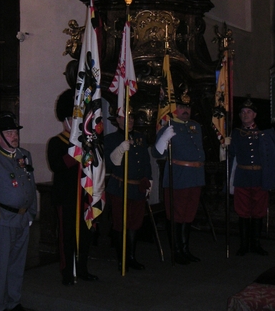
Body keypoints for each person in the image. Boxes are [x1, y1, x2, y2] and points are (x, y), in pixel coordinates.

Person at [48, 89, 98, 285]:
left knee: (85, 236)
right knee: (66, 237)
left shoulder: (86, 143)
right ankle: (67, 271)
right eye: (72, 119)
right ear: (66, 120)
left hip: (83, 195)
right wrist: (76, 152)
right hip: (66, 197)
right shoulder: (56, 142)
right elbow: (57, 165)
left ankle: (83, 268)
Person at [0, 111, 37, 311]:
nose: (14, 136)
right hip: (3, 220)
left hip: (22, 218)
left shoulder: (24, 155)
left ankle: (13, 302)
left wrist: (31, 213)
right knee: (1, 267)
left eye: (15, 132)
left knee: (17, 265)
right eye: (9, 133)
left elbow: (31, 184)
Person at [152, 91, 205, 265]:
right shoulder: (168, 126)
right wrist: (164, 139)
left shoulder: (195, 126)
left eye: (187, 107)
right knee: (176, 215)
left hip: (195, 176)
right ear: (174, 109)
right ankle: (176, 251)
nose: (185, 110)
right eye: (181, 107)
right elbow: (157, 153)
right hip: (178, 175)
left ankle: (185, 249)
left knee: (189, 215)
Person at [229, 98, 275, 256]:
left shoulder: (264, 134)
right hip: (243, 176)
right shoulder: (235, 133)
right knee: (243, 212)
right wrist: (225, 145)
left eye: (248, 112)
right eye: (242, 112)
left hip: (260, 176)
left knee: (258, 211)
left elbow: (273, 155)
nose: (245, 115)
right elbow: (231, 155)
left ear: (255, 115)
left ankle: (256, 243)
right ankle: (244, 244)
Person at [105, 107, 152, 271]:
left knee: (134, 224)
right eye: (126, 118)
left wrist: (149, 180)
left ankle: (131, 256)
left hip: (137, 188)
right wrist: (119, 150)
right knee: (120, 224)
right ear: (117, 120)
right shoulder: (110, 139)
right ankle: (121, 258)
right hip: (120, 187)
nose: (130, 121)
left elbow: (145, 161)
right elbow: (110, 164)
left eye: (132, 118)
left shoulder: (140, 137)